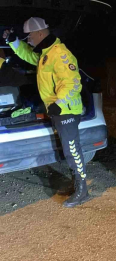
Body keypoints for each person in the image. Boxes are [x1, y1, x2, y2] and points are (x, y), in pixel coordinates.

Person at [3, 17, 89, 208]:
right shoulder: (46, 54)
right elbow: (29, 56)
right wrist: (14, 42)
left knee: (72, 150)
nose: (28, 40)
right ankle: (77, 185)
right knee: (68, 149)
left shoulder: (60, 54)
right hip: (58, 110)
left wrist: (59, 103)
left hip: (66, 110)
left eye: (29, 36)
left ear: (40, 33)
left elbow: (73, 81)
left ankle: (83, 190)